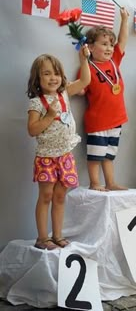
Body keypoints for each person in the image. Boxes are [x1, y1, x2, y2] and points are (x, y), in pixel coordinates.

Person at [27, 45, 91, 250]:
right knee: (46, 196)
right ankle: (42, 238)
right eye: (47, 73)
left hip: (65, 155)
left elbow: (85, 81)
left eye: (56, 73)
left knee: (60, 196)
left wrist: (84, 61)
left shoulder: (64, 94)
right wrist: (48, 116)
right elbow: (32, 130)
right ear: (37, 79)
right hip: (46, 157)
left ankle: (57, 235)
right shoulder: (36, 103)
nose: (53, 78)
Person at [77, 7, 129, 192]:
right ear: (90, 47)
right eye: (104, 43)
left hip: (116, 119)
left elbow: (122, 41)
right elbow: (81, 89)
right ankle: (94, 182)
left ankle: (110, 182)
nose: (109, 47)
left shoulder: (114, 60)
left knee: (109, 155)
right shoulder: (88, 67)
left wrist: (124, 20)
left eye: (110, 44)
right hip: (98, 120)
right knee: (95, 155)